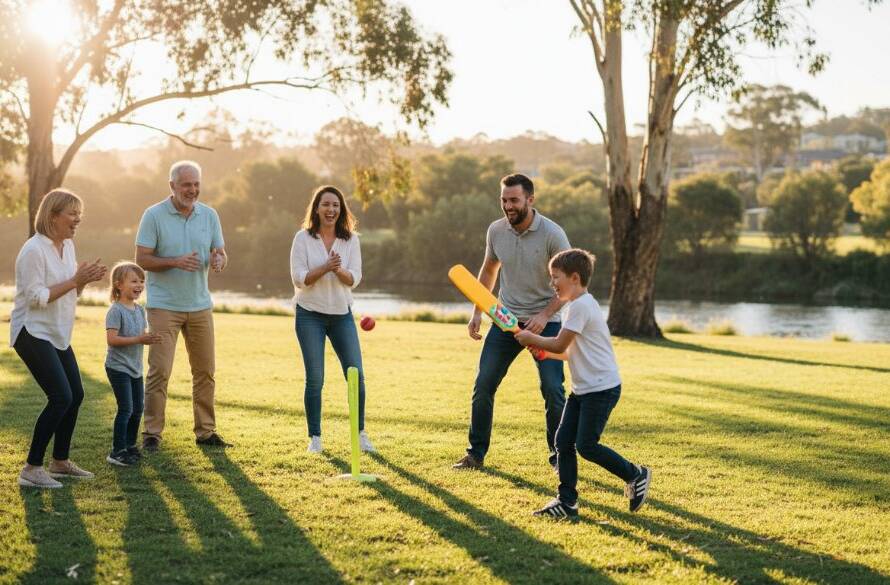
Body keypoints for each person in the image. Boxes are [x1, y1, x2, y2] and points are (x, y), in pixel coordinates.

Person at [515, 249, 651, 520]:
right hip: (583, 390)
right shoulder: (576, 306)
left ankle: (635, 474)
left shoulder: (580, 306)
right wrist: (545, 352)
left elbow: (560, 342)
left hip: (601, 390)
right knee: (563, 441)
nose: (552, 283)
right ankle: (567, 503)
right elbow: (567, 351)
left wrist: (531, 338)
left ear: (574, 278)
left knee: (586, 445)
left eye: (556, 277)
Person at [452, 173, 571, 471]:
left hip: (547, 324)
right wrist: (478, 310)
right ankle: (475, 455)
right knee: (484, 385)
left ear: (530, 200)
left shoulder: (553, 234)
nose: (508, 206)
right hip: (505, 321)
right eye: (504, 200)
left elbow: (569, 284)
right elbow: (489, 270)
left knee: (553, 389)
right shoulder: (496, 231)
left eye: (514, 200)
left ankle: (559, 457)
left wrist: (544, 316)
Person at [11, 189, 107, 488]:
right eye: (72, 213)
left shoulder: (67, 246)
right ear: (53, 215)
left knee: (75, 394)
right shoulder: (33, 250)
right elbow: (38, 298)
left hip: (57, 333)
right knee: (61, 396)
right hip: (31, 331)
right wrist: (75, 281)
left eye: (80, 213)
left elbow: (69, 292)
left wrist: (82, 282)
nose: (78, 219)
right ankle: (32, 468)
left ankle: (61, 462)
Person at [135, 160, 230, 452]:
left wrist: (218, 260)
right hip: (164, 306)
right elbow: (142, 259)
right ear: (172, 186)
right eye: (186, 184)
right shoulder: (153, 215)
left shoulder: (209, 215)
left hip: (200, 305)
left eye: (196, 184)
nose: (192, 190)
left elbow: (220, 252)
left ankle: (206, 432)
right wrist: (175, 261)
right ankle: (152, 432)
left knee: (205, 371)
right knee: (159, 371)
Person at [290, 185, 374, 454]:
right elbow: (299, 280)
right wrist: (325, 267)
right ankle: (315, 438)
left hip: (341, 316)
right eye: (326, 204)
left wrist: (338, 271)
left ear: (341, 210)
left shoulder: (351, 240)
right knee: (315, 378)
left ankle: (360, 434)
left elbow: (355, 279)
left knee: (356, 375)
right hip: (309, 315)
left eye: (336, 205)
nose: (331, 209)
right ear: (317, 208)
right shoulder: (303, 239)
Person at [104, 262, 161, 466]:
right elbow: (112, 340)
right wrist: (139, 340)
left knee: (138, 409)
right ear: (119, 285)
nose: (139, 284)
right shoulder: (115, 311)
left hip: (135, 368)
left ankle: (129, 446)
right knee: (126, 409)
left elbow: (139, 335)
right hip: (118, 367)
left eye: (142, 281)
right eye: (134, 281)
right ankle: (117, 451)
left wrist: (148, 337)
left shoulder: (139, 310)